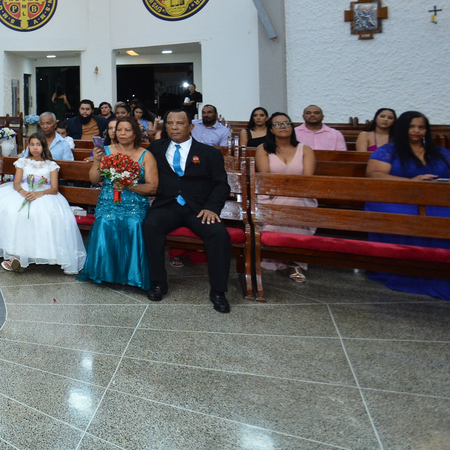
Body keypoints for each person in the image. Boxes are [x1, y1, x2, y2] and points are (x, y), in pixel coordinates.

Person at [364, 111, 450, 300]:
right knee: (405, 220)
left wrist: (444, 184)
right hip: (397, 199)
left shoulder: (439, 151)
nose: (416, 130)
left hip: (438, 199)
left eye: (421, 127)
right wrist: (412, 181)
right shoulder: (389, 150)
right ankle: (410, 271)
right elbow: (374, 174)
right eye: (411, 126)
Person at [142, 109, 233, 313]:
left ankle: (218, 291)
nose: (174, 127)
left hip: (199, 209)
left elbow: (221, 185)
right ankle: (158, 282)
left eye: (180, 123)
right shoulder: (155, 148)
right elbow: (139, 167)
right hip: (167, 205)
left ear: (191, 127)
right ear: (165, 126)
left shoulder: (210, 153)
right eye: (170, 123)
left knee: (219, 235)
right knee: (150, 226)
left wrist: (212, 208)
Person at [0, 133, 86, 274]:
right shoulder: (23, 162)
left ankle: (33, 254)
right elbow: (16, 183)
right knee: (15, 212)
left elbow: (54, 188)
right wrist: (22, 192)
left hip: (43, 194)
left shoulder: (51, 165)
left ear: (43, 147)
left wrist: (38, 193)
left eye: (38, 145)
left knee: (39, 214)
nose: (35, 148)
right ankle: (16, 255)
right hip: (22, 192)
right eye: (32, 144)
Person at [80, 118, 158, 289]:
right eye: (119, 130)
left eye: (127, 130)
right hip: (108, 201)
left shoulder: (146, 155)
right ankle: (104, 272)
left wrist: (130, 185)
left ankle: (131, 275)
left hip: (134, 203)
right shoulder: (104, 150)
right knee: (104, 222)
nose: (122, 134)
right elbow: (94, 179)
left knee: (134, 223)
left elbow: (153, 188)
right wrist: (96, 161)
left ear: (135, 133)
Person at [254, 112, 317, 282]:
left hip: (300, 196)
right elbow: (265, 178)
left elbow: (307, 180)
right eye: (277, 124)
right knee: (288, 202)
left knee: (296, 201)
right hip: (270, 195)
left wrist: (287, 190)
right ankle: (290, 259)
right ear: (271, 130)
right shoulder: (263, 149)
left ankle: (294, 261)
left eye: (286, 123)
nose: (283, 126)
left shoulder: (305, 149)